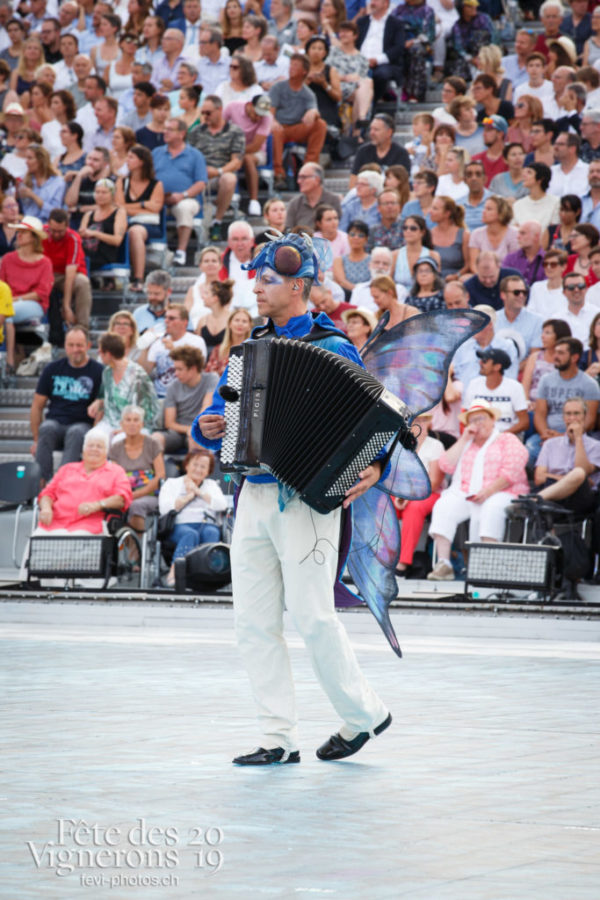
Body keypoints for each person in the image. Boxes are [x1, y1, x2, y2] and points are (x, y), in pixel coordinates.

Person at [194, 230, 392, 765]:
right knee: (252, 622)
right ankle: (278, 738)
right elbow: (213, 415)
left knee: (313, 615)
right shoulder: (250, 349)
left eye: (269, 279)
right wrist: (208, 427)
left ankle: (364, 714)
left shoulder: (335, 347)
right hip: (252, 496)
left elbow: (378, 422)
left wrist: (376, 464)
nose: (257, 287)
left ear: (300, 286)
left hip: (305, 499)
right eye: (257, 278)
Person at [427, 399, 529, 582]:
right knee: (443, 505)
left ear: (492, 420)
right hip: (468, 492)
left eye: (481, 418)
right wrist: (464, 439)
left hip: (502, 491)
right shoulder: (467, 444)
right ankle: (444, 564)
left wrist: (488, 491)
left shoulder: (505, 439)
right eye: (473, 420)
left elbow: (513, 469)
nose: (477, 424)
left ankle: (486, 565)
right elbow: (445, 465)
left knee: (491, 508)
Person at [30, 325, 104, 485]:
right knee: (46, 428)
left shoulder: (99, 371)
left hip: (82, 425)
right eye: (71, 345)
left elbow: (103, 407)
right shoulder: (52, 369)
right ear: (65, 346)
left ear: (88, 346)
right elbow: (37, 406)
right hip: (55, 424)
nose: (75, 349)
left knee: (76, 432)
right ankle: (40, 484)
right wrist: (36, 440)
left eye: (79, 345)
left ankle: (62, 483)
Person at [36, 428, 132, 534]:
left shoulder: (116, 471)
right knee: (37, 538)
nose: (94, 449)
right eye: (90, 446)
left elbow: (122, 499)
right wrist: (46, 508)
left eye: (99, 446)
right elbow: (47, 493)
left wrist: (97, 505)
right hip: (54, 523)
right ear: (83, 451)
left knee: (77, 537)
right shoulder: (67, 469)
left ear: (106, 452)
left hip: (89, 525)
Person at [158, 448, 227, 587]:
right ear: (187, 465)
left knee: (212, 532)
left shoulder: (211, 485)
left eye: (203, 466)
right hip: (179, 526)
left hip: (207, 524)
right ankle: (175, 573)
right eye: (195, 464)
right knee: (191, 534)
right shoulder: (172, 483)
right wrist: (189, 496)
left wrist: (199, 492)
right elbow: (165, 508)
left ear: (208, 471)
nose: (198, 469)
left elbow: (222, 505)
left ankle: (209, 576)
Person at [528, 336, 600, 466]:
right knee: (530, 450)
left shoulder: (589, 384)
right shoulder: (546, 380)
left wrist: (562, 437)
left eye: (560, 353)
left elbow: (589, 422)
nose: (555, 356)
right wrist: (546, 435)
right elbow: (539, 414)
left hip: (579, 437)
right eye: (555, 352)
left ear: (574, 358)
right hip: (547, 435)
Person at [393, 411, 444, 576]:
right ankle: (380, 557)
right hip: (402, 491)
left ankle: (402, 562)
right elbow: (394, 475)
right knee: (382, 502)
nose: (420, 423)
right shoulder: (401, 444)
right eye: (417, 420)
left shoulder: (435, 445)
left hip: (428, 493)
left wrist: (410, 495)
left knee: (414, 508)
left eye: (424, 420)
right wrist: (401, 495)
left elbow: (435, 481)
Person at [188, 94, 244, 241]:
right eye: (203, 113)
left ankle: (217, 221)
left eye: (208, 112)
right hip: (199, 175)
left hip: (220, 174)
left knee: (230, 179)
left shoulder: (234, 131)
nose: (205, 116)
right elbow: (189, 156)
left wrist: (218, 171)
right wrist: (201, 171)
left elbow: (236, 161)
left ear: (219, 110)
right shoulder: (196, 132)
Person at [152, 117, 207, 266]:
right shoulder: (156, 153)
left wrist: (182, 195)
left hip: (186, 198)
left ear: (182, 133)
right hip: (159, 200)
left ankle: (181, 252)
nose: (165, 132)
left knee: (184, 208)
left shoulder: (195, 155)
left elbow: (201, 182)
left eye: (170, 129)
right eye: (165, 129)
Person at [269, 53, 327, 191]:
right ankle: (279, 174)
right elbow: (269, 112)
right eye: (291, 64)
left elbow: (314, 110)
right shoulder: (278, 88)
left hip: (297, 128)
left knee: (320, 125)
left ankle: (310, 169)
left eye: (295, 65)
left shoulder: (308, 93)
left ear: (304, 71)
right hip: (280, 127)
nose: (291, 68)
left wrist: (312, 112)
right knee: (275, 130)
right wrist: (273, 121)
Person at [533, 397, 600, 514]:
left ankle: (533, 500)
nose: (572, 418)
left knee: (579, 473)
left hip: (580, 496)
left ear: (584, 416)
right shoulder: (550, 444)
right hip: (551, 492)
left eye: (577, 413)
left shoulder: (596, 446)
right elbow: (539, 478)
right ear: (563, 418)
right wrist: (565, 481)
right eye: (568, 414)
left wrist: (578, 438)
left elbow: (582, 472)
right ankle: (537, 501)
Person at [89, 332, 159, 439]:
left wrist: (127, 428)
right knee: (92, 437)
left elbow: (149, 411)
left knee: (119, 440)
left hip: (136, 425)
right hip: (110, 423)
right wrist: (98, 402)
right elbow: (104, 399)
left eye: (101, 351)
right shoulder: (107, 372)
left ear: (108, 354)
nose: (98, 353)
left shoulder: (138, 374)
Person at [114, 143, 164, 292]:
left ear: (141, 161)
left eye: (131, 157)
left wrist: (131, 207)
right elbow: (119, 206)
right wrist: (144, 205)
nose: (127, 160)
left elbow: (156, 208)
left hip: (150, 226)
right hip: (126, 222)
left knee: (135, 232)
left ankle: (138, 278)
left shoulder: (156, 184)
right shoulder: (122, 182)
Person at [109, 404, 165, 532]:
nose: (132, 424)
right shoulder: (116, 448)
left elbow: (160, 476)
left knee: (136, 505)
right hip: (123, 493)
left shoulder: (152, 444)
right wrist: (126, 495)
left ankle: (136, 548)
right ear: (122, 424)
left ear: (142, 424)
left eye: (136, 420)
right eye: (128, 420)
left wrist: (135, 495)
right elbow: (114, 476)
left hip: (149, 494)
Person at [153, 345, 218, 453]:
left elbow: (207, 407)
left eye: (179, 369)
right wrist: (188, 429)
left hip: (200, 429)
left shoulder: (211, 379)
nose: (176, 373)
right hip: (177, 433)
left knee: (197, 439)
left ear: (193, 368)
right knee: (155, 439)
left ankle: (195, 469)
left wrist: (195, 430)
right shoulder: (173, 387)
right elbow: (169, 423)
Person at [139, 302, 207, 398]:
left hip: (186, 395)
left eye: (171, 318)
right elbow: (145, 371)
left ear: (185, 322)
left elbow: (198, 369)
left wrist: (174, 350)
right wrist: (145, 346)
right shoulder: (158, 343)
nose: (166, 321)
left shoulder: (196, 341)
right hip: (160, 395)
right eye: (165, 318)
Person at [223, 93, 272, 218]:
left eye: (261, 115)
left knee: (247, 158)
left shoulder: (267, 118)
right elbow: (220, 126)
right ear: (250, 105)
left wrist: (235, 152)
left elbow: (256, 145)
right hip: (232, 148)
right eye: (256, 113)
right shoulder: (232, 107)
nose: (258, 118)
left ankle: (254, 200)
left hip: (256, 152)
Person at [0, 215, 53, 328]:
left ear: (34, 237)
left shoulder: (45, 263)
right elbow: (2, 284)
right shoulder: (7, 259)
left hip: (34, 304)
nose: (19, 235)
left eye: (24, 232)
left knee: (6, 313)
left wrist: (16, 299)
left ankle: (6, 346)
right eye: (19, 231)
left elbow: (41, 293)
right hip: (7, 301)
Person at [43, 208, 92, 330]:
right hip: (46, 274)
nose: (56, 234)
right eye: (53, 230)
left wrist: (67, 306)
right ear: (48, 224)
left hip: (67, 275)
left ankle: (82, 328)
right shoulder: (41, 233)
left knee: (83, 283)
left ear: (67, 226)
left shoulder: (73, 238)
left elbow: (70, 274)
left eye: (60, 231)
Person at [462, 347, 529, 434]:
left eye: (485, 361)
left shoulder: (515, 387)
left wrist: (501, 436)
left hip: (506, 437)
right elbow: (466, 417)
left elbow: (524, 422)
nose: (480, 363)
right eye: (481, 360)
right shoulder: (473, 384)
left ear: (497, 367)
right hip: (479, 436)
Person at [522, 317, 572, 413]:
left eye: (547, 333)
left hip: (555, 406)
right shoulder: (534, 357)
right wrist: (527, 403)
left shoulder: (566, 359)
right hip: (531, 405)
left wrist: (541, 405)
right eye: (543, 332)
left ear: (559, 336)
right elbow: (526, 385)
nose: (542, 336)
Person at [350, 113, 410, 188]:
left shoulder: (401, 153)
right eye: (370, 129)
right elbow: (353, 181)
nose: (371, 133)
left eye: (376, 130)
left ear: (389, 132)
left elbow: (403, 184)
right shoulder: (363, 151)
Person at [79, 179, 127, 271]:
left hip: (105, 254)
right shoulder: (88, 215)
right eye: (97, 192)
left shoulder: (119, 212)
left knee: (81, 260)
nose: (100, 195)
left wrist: (95, 234)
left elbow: (117, 240)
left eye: (104, 192)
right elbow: (81, 234)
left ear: (112, 194)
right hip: (88, 252)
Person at [285, 163, 341, 230]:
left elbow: (339, 229)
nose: (298, 181)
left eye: (303, 177)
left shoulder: (333, 200)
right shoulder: (294, 204)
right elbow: (288, 232)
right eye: (299, 177)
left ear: (317, 180)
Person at [469, 196, 519, 272]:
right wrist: (485, 278)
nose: (483, 211)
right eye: (484, 208)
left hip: (507, 277)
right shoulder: (476, 234)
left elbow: (513, 265)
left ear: (501, 213)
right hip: (482, 276)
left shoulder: (514, 233)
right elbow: (474, 265)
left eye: (489, 209)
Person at [18, 143, 65, 222]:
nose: (26, 162)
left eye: (30, 158)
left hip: (48, 225)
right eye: (26, 158)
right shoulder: (24, 180)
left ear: (41, 161)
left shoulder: (58, 182)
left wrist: (33, 196)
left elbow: (56, 213)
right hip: (27, 224)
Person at [393, 215, 440, 291]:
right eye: (405, 228)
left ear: (422, 232)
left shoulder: (433, 255)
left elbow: (436, 283)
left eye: (413, 228)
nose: (408, 231)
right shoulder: (395, 255)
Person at [429, 196, 470, 282]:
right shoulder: (428, 234)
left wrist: (456, 275)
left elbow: (468, 264)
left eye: (435, 209)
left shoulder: (464, 234)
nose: (430, 211)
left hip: (456, 279)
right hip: (434, 279)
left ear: (447, 213)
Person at [205, 307, 253, 376]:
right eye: (237, 320)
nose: (240, 324)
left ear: (249, 326)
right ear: (230, 324)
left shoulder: (253, 350)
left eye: (244, 321)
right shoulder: (218, 350)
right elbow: (210, 375)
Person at [512, 164, 560, 234]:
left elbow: (554, 229)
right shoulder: (518, 204)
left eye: (529, 172)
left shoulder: (556, 202)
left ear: (540, 179)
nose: (524, 175)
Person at [194, 279, 234, 354]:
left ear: (215, 298)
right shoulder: (202, 321)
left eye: (206, 293)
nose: (202, 297)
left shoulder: (233, 319)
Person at [502, 220, 546, 288]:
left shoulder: (548, 260)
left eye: (523, 233)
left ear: (536, 237)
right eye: (519, 233)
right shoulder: (510, 259)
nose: (518, 237)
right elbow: (504, 284)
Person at [332, 220, 370, 297]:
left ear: (366, 239)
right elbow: (341, 282)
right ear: (348, 236)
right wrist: (359, 291)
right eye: (352, 234)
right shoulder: (339, 260)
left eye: (361, 235)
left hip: (368, 297)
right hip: (346, 297)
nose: (356, 238)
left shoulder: (372, 260)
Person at [527, 249, 569, 317]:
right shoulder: (536, 287)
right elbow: (531, 312)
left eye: (553, 264)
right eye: (545, 264)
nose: (548, 267)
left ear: (563, 267)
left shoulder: (569, 289)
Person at [560, 271, 597, 343]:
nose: (576, 290)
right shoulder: (557, 318)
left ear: (586, 289)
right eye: (571, 287)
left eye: (580, 286)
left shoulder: (597, 314)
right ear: (564, 292)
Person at [472, 115, 509, 188]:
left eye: (488, 130)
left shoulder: (511, 159)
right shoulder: (476, 160)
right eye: (484, 130)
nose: (484, 134)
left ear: (500, 134)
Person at [549, 133, 589, 199]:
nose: (555, 147)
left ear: (572, 149)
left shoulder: (588, 171)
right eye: (555, 144)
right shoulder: (550, 171)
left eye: (560, 144)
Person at [134, 269, 172, 336]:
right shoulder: (138, 313)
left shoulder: (180, 314)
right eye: (149, 293)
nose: (152, 297)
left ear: (168, 292)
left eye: (156, 294)